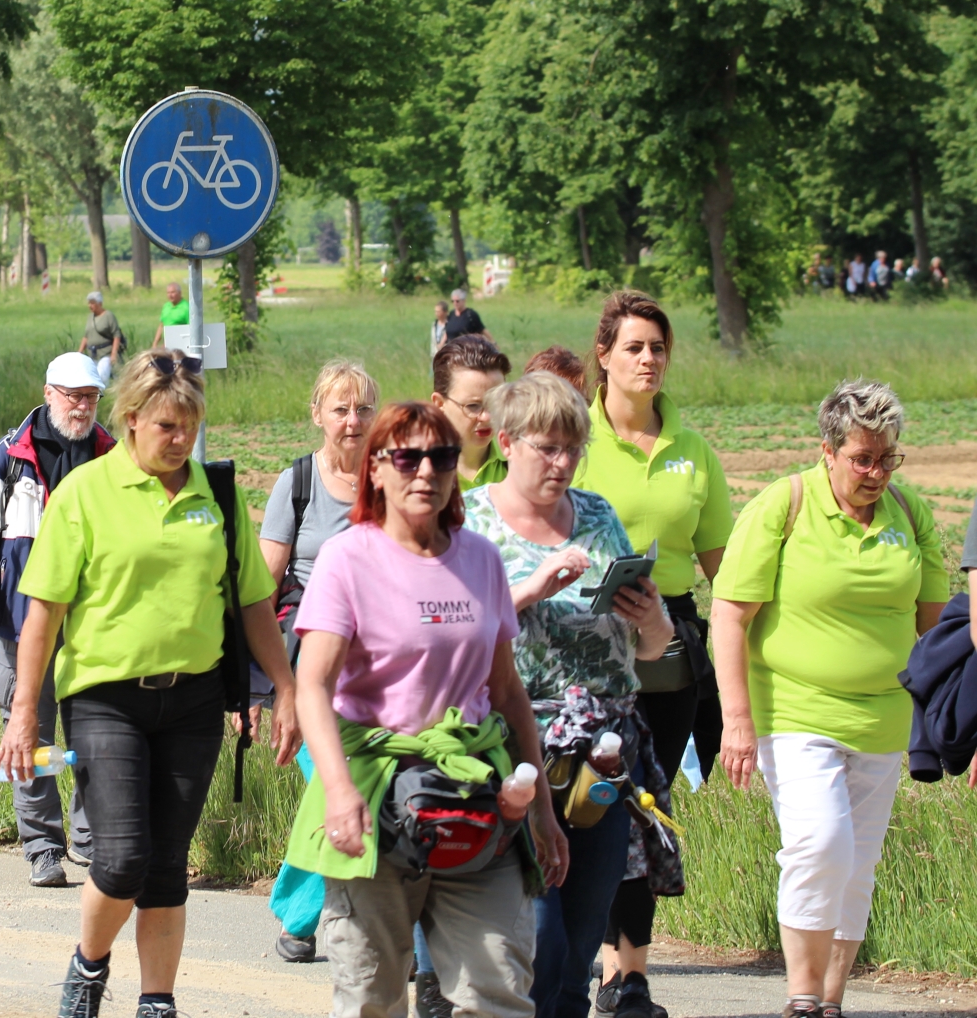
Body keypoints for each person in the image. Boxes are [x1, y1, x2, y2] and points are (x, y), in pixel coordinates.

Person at [0, 350, 300, 1018]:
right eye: (167, 426)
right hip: (105, 699)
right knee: (123, 857)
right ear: (131, 418)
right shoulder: (85, 493)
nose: (181, 439)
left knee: (167, 863)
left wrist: (284, 688)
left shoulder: (215, 492)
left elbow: (254, 600)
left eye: (190, 426)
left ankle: (157, 1002)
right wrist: (23, 713)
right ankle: (89, 965)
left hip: (194, 701)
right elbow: (43, 612)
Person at [290, 401, 566, 1018]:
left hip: (476, 794)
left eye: (441, 458)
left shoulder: (480, 559)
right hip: (377, 796)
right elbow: (313, 685)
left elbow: (507, 693)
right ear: (376, 469)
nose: (425, 472)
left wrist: (543, 808)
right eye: (407, 458)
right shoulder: (346, 558)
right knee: (372, 996)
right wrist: (338, 790)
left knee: (498, 990)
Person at [713, 379, 947, 1018]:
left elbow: (936, 627)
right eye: (862, 458)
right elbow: (729, 614)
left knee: (858, 861)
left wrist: (952, 716)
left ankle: (831, 1002)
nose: (876, 473)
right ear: (828, 451)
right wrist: (737, 719)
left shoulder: (910, 513)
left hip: (883, 719)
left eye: (887, 458)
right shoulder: (783, 504)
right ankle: (802, 997)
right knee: (821, 843)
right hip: (794, 711)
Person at [461, 374, 675, 1018]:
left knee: (581, 939)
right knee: (540, 936)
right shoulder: (469, 522)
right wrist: (530, 590)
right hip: (514, 748)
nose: (563, 463)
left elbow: (651, 649)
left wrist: (652, 618)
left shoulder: (598, 515)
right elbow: (450, 639)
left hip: (603, 751)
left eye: (573, 448)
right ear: (507, 442)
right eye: (548, 448)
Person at [572, 292, 732, 1018]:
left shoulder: (693, 450)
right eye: (634, 347)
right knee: (591, 801)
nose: (648, 360)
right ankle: (580, 955)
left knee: (645, 805)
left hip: (668, 641)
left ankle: (627, 977)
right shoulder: (576, 440)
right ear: (604, 355)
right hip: (583, 637)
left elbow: (725, 569)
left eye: (658, 348)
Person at [0, 352, 113, 887]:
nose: (82, 407)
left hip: (92, 624)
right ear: (48, 394)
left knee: (98, 731)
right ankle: (43, 846)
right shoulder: (9, 457)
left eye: (91, 397)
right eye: (73, 396)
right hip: (22, 622)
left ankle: (90, 840)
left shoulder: (111, 456)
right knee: (31, 734)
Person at [257, 359, 378, 966]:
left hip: (378, 662)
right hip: (310, 661)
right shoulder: (297, 482)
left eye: (363, 409)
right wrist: (259, 688)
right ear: (317, 415)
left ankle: (314, 917)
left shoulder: (391, 478)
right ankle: (306, 913)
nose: (352, 421)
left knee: (372, 784)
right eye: (340, 409)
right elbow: (261, 589)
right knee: (331, 783)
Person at [432, 335, 512, 490]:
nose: (487, 417)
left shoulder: (519, 461)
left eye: (496, 403)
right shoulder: (418, 468)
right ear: (439, 404)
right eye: (473, 406)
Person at [81, 291, 126, 384]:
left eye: (92, 303)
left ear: (100, 303)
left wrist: (113, 354)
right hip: (93, 354)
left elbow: (116, 335)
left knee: (101, 377)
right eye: (89, 303)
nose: (90, 305)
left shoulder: (109, 316)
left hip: (106, 353)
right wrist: (80, 351)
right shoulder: (90, 317)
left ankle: (103, 391)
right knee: (92, 377)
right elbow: (86, 336)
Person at [152, 282, 189, 348]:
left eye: (173, 292)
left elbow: (191, 328)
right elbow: (161, 325)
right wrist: (155, 343)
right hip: (166, 342)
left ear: (180, 293)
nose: (170, 295)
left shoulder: (187, 307)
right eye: (168, 293)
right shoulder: (166, 306)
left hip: (180, 344)